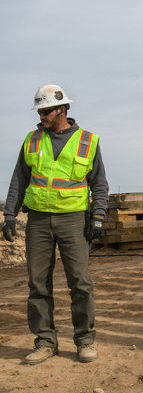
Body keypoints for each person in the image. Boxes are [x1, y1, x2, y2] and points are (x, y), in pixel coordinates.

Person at [2, 85, 109, 365]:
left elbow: (99, 184)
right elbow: (18, 180)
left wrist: (98, 216)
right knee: (38, 284)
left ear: (62, 110)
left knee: (80, 284)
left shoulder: (88, 140)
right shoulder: (32, 139)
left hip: (74, 220)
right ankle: (45, 341)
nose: (42, 116)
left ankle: (85, 339)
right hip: (38, 220)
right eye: (40, 111)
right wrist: (10, 215)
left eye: (46, 111)